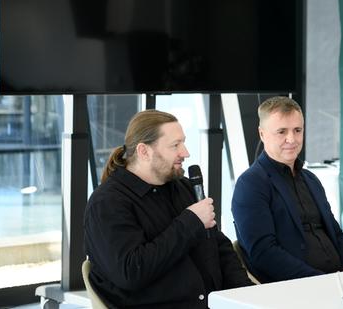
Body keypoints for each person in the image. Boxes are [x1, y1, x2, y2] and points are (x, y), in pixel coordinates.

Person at [84, 109, 253, 309]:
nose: (186, 153)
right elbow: (132, 272)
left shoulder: (183, 187)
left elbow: (219, 248)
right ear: (144, 151)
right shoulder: (107, 203)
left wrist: (247, 296)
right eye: (175, 145)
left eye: (183, 142)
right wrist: (190, 223)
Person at [231, 97, 343, 283]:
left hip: (337, 283)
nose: (291, 139)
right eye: (281, 132)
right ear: (262, 134)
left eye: (297, 130)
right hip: (294, 288)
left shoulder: (311, 179)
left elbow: (337, 234)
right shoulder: (250, 184)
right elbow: (263, 253)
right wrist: (323, 281)